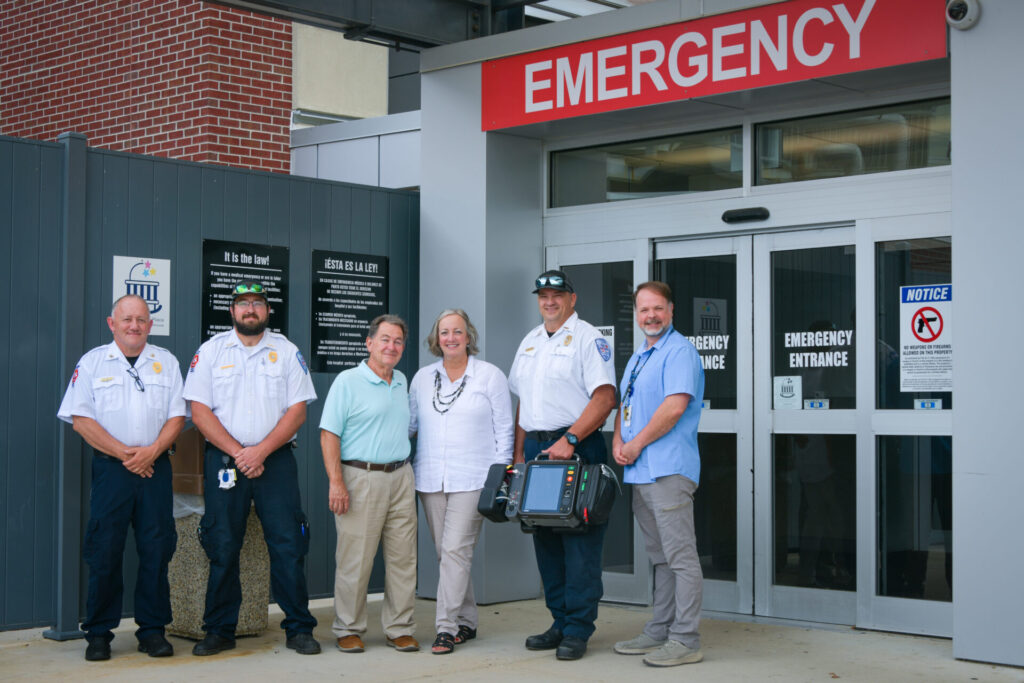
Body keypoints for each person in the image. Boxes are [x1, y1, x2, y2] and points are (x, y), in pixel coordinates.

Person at [183, 281, 320, 656]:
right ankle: (219, 630)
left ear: (267, 311)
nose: (250, 310)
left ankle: (299, 628)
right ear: (231, 311)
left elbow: (298, 412)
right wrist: (241, 453)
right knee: (222, 544)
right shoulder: (210, 352)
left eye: (257, 303)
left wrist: (259, 452)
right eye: (242, 304)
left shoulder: (287, 352)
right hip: (226, 461)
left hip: (275, 462)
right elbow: (199, 411)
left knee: (288, 544)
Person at [57, 294, 185, 661]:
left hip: (155, 468)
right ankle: (98, 634)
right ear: (111, 323)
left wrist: (150, 453)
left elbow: (178, 417)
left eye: (141, 320)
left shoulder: (166, 362)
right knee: (105, 551)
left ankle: (152, 630)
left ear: (150, 324)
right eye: (127, 319)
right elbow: (81, 419)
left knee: (157, 549)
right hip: (113, 470)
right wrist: (127, 455)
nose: (134, 325)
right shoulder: (93, 363)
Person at [508, 269, 616, 661]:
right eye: (543, 295)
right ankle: (559, 621)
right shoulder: (530, 341)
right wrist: (519, 456)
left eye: (557, 294)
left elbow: (605, 398)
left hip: (577, 446)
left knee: (580, 544)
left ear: (572, 298)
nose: (549, 301)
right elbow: (524, 406)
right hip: (538, 450)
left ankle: (578, 629)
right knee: (547, 543)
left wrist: (569, 440)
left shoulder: (589, 338)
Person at [409, 309, 514, 654]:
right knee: (447, 553)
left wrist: (501, 476)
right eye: (444, 332)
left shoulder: (490, 376)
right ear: (436, 339)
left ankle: (446, 627)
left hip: (474, 477)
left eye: (457, 331)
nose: (451, 338)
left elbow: (504, 430)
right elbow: (410, 426)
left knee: (455, 550)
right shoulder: (423, 378)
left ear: (469, 336)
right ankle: (467, 619)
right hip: (430, 479)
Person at [612, 281, 705, 667]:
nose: (650, 316)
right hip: (640, 472)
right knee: (661, 558)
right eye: (643, 309)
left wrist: (635, 445)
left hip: (668, 469)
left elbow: (673, 408)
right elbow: (625, 404)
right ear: (636, 313)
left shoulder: (679, 351)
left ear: (670, 311)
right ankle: (660, 629)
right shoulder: (640, 356)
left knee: (681, 557)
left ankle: (686, 639)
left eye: (658, 309)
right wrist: (618, 439)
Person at [319, 314, 419, 654]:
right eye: (385, 339)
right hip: (360, 477)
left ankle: (399, 627)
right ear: (369, 343)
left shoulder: (402, 381)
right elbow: (328, 434)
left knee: (403, 557)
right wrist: (337, 482)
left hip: (401, 476)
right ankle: (348, 627)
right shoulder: (348, 382)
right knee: (356, 558)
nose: (392, 346)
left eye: (398, 341)